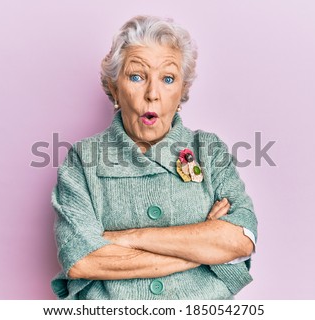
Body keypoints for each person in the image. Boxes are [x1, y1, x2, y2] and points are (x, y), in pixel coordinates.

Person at [51, 15, 257, 300]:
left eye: (168, 79)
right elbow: (83, 260)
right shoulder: (82, 160)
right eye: (136, 76)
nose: (152, 94)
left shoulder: (209, 150)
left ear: (182, 91)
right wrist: (203, 249)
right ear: (114, 87)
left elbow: (240, 239)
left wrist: (125, 237)